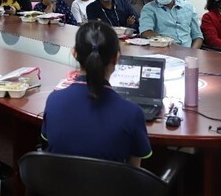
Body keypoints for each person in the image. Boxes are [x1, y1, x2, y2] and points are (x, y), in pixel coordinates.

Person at [42, 21, 151, 166]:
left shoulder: (54, 101)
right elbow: (134, 170)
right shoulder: (132, 113)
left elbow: (47, 143)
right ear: (117, 57)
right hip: (111, 188)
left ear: (74, 53)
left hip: (58, 187)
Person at [139, 0, 203, 47]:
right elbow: (146, 32)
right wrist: (166, 42)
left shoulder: (188, 7)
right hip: (165, 51)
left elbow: (197, 36)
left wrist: (193, 53)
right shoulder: (149, 9)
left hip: (189, 52)